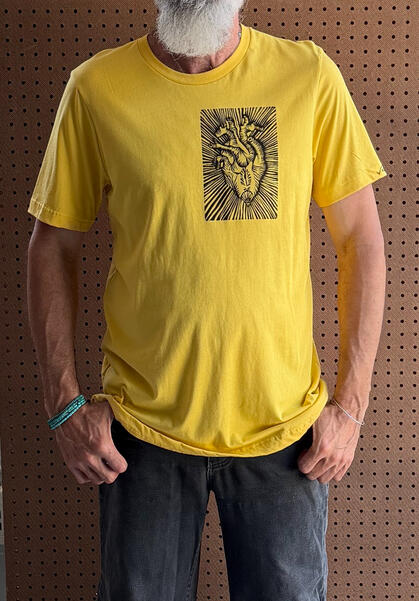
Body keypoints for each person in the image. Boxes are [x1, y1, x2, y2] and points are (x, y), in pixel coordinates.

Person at [26, 0, 387, 599]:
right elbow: (52, 246)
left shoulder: (308, 75)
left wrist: (350, 409)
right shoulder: (96, 87)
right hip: (141, 435)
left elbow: (361, 242)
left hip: (284, 433)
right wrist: (64, 405)